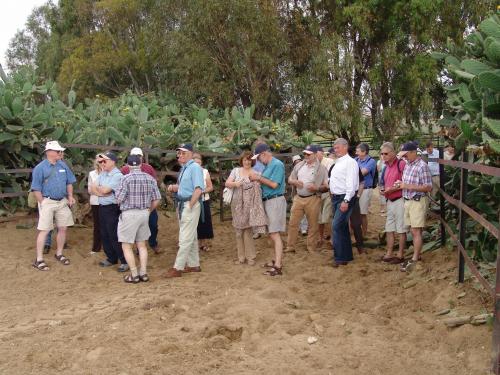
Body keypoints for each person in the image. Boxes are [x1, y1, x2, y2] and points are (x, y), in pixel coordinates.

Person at [31, 141, 76, 271]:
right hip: (48, 201)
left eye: (60, 151)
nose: (61, 153)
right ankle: (39, 259)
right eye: (58, 151)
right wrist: (43, 202)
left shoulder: (63, 165)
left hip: (61, 201)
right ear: (49, 152)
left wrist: (70, 196)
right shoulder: (40, 168)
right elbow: (36, 188)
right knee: (44, 230)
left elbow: (69, 182)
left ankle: (59, 253)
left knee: (63, 228)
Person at [115, 155, 161, 283]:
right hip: (144, 213)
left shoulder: (125, 179)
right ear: (141, 164)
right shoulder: (150, 178)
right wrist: (149, 210)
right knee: (142, 245)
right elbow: (157, 198)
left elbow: (118, 198)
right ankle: (144, 273)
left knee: (126, 245)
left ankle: (134, 275)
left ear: (128, 165)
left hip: (129, 213)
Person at [164, 143, 205, 278]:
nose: (180, 155)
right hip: (184, 203)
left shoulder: (194, 168)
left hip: (188, 204)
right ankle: (194, 264)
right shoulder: (186, 168)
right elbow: (187, 187)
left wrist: (190, 205)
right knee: (191, 236)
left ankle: (178, 267)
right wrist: (175, 188)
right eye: (179, 153)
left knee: (185, 237)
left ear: (191, 154)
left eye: (183, 153)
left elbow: (198, 189)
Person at [249, 143, 286, 276]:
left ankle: (278, 265)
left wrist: (258, 178)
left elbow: (274, 184)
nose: (258, 161)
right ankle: (276, 260)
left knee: (274, 233)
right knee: (271, 233)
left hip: (274, 200)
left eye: (258, 158)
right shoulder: (269, 165)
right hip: (269, 200)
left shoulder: (277, 164)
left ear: (264, 154)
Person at [225, 151, 267, 265]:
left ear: (252, 161)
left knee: (248, 231)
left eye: (249, 160)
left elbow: (260, 189)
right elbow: (227, 183)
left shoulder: (256, 172)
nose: (247, 162)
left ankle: (250, 257)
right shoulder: (235, 171)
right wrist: (235, 184)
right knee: (238, 231)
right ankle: (241, 257)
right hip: (237, 204)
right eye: (244, 160)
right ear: (241, 161)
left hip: (250, 206)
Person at [395, 142, 432, 272]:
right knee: (415, 230)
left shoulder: (422, 166)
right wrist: (401, 184)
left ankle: (415, 258)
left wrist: (407, 186)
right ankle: (417, 255)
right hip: (409, 200)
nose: (404, 157)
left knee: (415, 231)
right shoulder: (408, 165)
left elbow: (428, 187)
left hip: (417, 201)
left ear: (412, 152)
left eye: (405, 154)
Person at [89, 152, 128, 272]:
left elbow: (104, 189)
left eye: (104, 161)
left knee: (114, 234)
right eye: (100, 162)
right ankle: (111, 258)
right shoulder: (104, 173)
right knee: (104, 233)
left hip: (112, 208)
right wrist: (103, 192)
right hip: (102, 207)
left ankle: (124, 261)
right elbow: (92, 188)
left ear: (113, 161)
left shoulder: (117, 175)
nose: (101, 163)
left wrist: (102, 190)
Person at [286, 145, 328, 253]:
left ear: (314, 155)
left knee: (313, 225)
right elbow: (290, 179)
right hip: (298, 198)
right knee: (292, 223)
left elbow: (326, 186)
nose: (306, 156)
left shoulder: (321, 168)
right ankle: (290, 247)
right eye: (305, 153)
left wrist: (316, 188)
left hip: (313, 198)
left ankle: (311, 248)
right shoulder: (299, 165)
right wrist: (295, 182)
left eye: (308, 154)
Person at [121, 147, 160, 254]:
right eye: (135, 156)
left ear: (142, 157)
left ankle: (152, 243)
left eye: (139, 156)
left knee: (153, 225)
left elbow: (154, 184)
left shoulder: (148, 168)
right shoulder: (125, 169)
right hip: (133, 204)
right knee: (137, 226)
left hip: (148, 202)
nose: (137, 158)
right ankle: (139, 246)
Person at [329, 138, 359, 267]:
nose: (336, 150)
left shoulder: (350, 162)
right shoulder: (338, 162)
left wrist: (346, 200)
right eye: (335, 148)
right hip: (336, 197)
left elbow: (351, 184)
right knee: (341, 226)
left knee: (336, 226)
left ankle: (340, 257)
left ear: (345, 147)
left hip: (344, 197)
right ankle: (346, 256)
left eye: (338, 148)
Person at [378, 142, 407, 264]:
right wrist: (382, 189)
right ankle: (389, 253)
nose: (383, 156)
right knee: (389, 228)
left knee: (401, 229)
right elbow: (382, 183)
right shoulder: (385, 167)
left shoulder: (401, 164)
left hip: (400, 199)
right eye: (382, 154)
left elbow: (406, 181)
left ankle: (400, 254)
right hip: (390, 200)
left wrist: (392, 189)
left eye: (386, 153)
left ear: (393, 153)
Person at [193, 153, 214, 252]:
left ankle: (204, 243)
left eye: (199, 161)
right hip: (193, 200)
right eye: (195, 162)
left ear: (201, 162)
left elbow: (210, 187)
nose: (197, 164)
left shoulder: (205, 172)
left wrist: (201, 191)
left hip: (204, 200)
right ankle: (195, 244)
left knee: (204, 222)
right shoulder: (190, 172)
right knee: (194, 222)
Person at [355, 143, 377, 236]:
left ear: (364, 152)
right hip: (356, 189)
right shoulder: (355, 160)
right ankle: (357, 232)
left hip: (366, 189)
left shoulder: (371, 161)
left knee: (362, 213)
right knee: (356, 213)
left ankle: (364, 233)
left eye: (358, 151)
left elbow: (363, 172)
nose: (356, 153)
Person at [316, 146, 334, 245]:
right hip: (317, 193)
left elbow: (330, 178)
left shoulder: (329, 162)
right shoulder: (312, 163)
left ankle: (331, 237)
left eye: (317, 153)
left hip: (328, 192)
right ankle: (320, 237)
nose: (315, 156)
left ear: (322, 153)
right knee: (319, 217)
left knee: (328, 217)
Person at [88, 156, 103, 254]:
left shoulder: (109, 173)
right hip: (95, 202)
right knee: (97, 225)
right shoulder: (92, 174)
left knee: (108, 225)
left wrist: (96, 189)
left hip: (107, 202)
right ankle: (96, 247)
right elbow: (90, 189)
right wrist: (100, 191)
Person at [292, 155, 308, 236]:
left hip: (306, 194)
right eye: (296, 162)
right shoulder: (294, 172)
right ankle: (299, 228)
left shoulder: (306, 170)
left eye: (299, 161)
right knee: (297, 213)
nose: (298, 163)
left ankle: (304, 229)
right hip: (296, 194)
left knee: (305, 213)